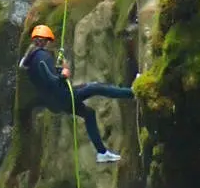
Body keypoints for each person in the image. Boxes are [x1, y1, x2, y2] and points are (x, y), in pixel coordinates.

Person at [19, 24, 134, 163]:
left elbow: (44, 78)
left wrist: (59, 69)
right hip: (63, 96)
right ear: (45, 41)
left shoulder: (31, 60)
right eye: (50, 42)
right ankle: (132, 93)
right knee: (97, 87)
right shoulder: (42, 56)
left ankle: (102, 153)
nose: (52, 45)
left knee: (89, 113)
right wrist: (64, 74)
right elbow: (52, 81)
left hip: (54, 102)